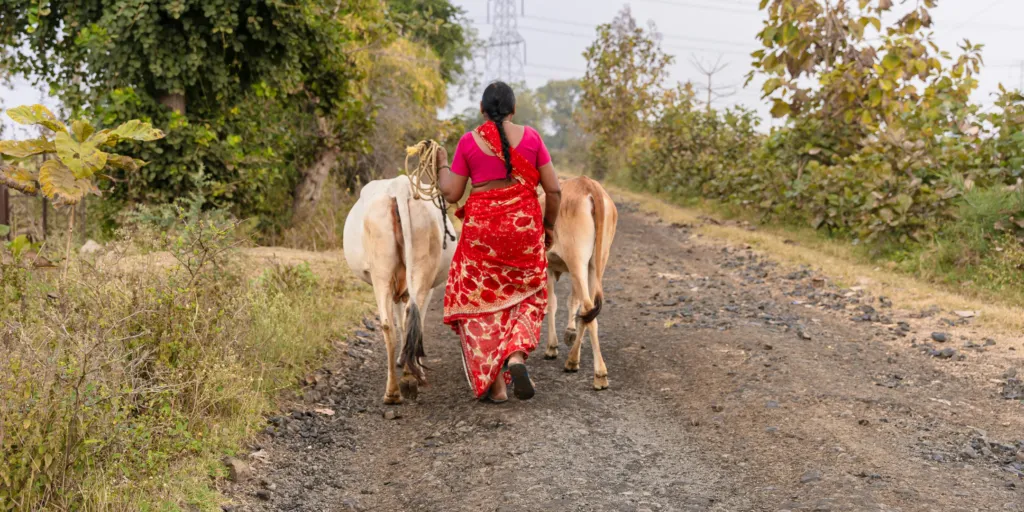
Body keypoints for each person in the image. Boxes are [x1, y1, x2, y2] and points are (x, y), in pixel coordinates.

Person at [435, 81, 562, 403]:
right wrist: (547, 227)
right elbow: (554, 190)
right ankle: (516, 355)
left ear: (481, 108)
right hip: (524, 230)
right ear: (514, 109)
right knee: (528, 295)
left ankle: (497, 386)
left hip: (482, 233)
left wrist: (440, 165)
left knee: (480, 303)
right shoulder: (532, 138)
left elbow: (451, 194)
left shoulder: (468, 142)